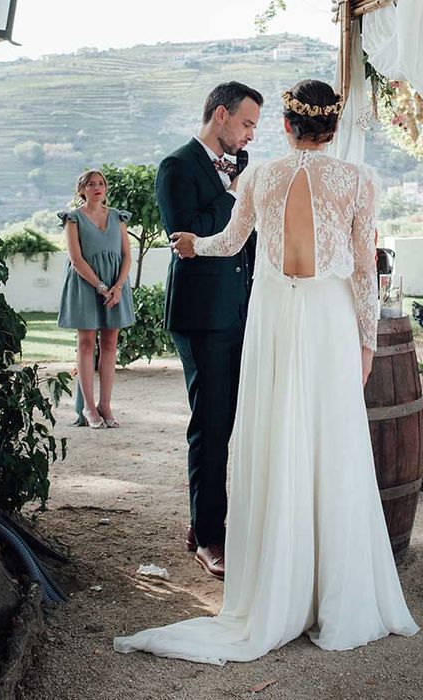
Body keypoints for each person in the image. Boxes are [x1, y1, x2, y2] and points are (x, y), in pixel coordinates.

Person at [114, 79, 418, 664]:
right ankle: (335, 589)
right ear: (334, 128)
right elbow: (362, 271)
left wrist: (191, 247)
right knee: (332, 444)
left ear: (286, 125)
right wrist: (366, 342)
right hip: (329, 319)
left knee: (279, 440)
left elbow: (229, 242)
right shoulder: (357, 180)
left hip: (276, 318)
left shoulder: (261, 176)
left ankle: (279, 584)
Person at [157, 81, 263, 580]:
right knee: (212, 423)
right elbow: (184, 233)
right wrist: (236, 197)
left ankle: (203, 520)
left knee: (236, 420)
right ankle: (209, 538)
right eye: (246, 124)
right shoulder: (177, 166)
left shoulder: (237, 169)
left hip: (241, 310)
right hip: (201, 315)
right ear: (220, 115)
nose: (250, 137)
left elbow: (245, 240)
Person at [57, 170, 134, 429]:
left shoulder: (117, 217)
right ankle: (89, 408)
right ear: (82, 190)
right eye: (91, 184)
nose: (97, 187)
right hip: (85, 285)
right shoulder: (73, 219)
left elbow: (126, 256)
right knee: (87, 343)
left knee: (110, 343)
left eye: (101, 183)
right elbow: (76, 259)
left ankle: (106, 405)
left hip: (116, 286)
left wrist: (118, 286)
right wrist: (101, 287)